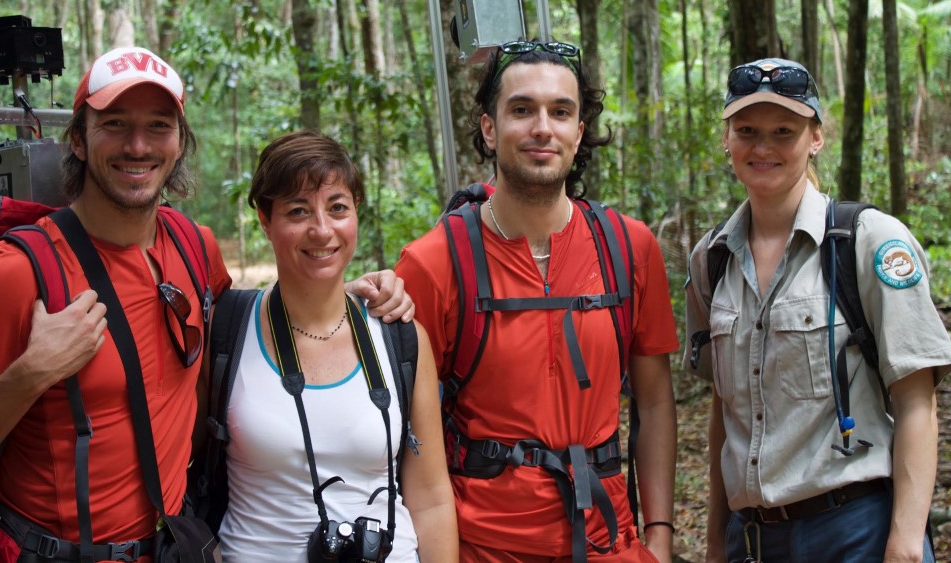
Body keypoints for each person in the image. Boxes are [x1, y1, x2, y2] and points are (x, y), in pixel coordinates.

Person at [0, 46, 412, 561]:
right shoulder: (17, 275)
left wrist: (358, 293)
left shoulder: (192, 246)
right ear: (78, 139)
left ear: (179, 141)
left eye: (158, 125)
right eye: (114, 123)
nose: (137, 145)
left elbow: (272, 318)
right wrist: (27, 376)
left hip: (171, 545)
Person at [394, 41, 678, 563]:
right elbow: (410, 433)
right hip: (483, 545)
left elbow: (655, 400)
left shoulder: (629, 248)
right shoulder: (433, 263)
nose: (542, 128)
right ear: (488, 128)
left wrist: (659, 531)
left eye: (560, 111)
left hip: (608, 541)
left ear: (579, 132)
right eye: (521, 109)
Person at [684, 58, 951, 563]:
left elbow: (918, 402)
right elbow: (727, 413)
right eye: (747, 131)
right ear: (726, 138)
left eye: (784, 131)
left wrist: (905, 544)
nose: (763, 147)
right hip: (754, 540)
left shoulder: (869, 241)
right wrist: (716, 543)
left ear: (815, 138)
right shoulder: (710, 260)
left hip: (854, 531)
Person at [215, 130, 457, 562]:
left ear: (356, 214)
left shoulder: (399, 337)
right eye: (297, 210)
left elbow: (432, 496)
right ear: (265, 221)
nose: (322, 229)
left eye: (337, 208)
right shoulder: (227, 332)